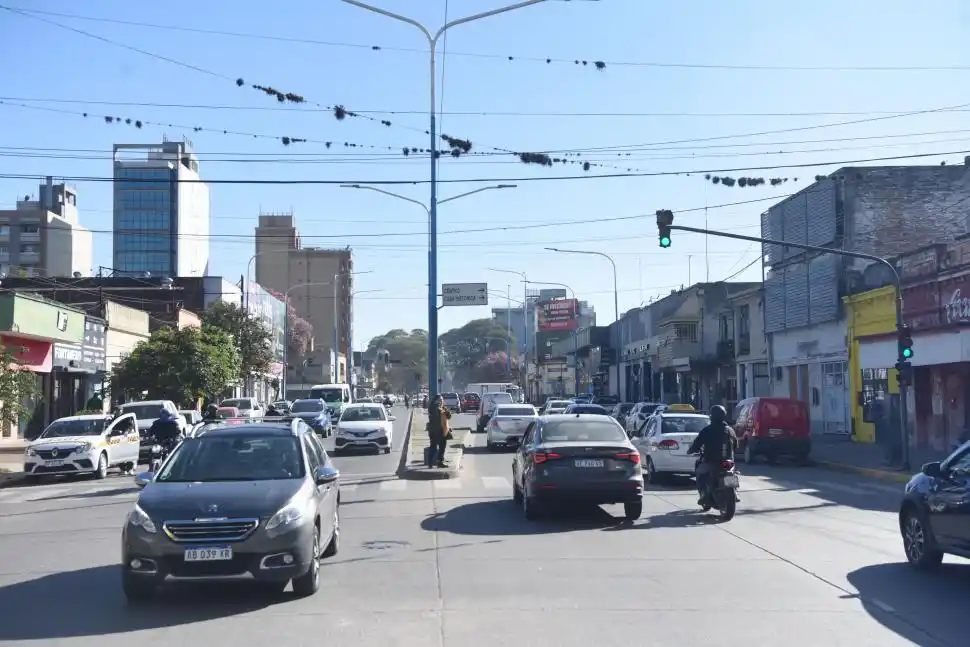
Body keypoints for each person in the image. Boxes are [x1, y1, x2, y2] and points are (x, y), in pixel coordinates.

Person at [687, 405, 737, 507]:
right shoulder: (730, 430)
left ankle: (704, 495)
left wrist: (691, 450)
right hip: (728, 462)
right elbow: (736, 445)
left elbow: (697, 444)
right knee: (731, 473)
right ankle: (735, 492)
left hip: (712, 461)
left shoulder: (707, 430)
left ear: (712, 416)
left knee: (700, 473)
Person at [427, 395, 452, 468]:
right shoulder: (433, 407)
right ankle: (430, 463)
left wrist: (446, 411)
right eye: (440, 400)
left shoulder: (443, 407)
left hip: (442, 430)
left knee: (442, 446)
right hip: (434, 431)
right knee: (433, 447)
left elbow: (449, 416)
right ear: (436, 401)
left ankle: (439, 462)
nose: (441, 401)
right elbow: (436, 414)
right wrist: (442, 410)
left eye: (442, 400)